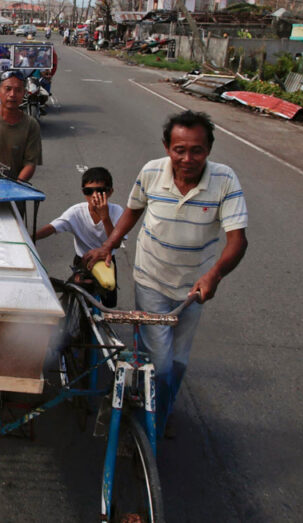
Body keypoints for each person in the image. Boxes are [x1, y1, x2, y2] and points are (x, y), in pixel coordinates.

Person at [83, 110, 249, 439]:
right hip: (151, 278)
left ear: (209, 149)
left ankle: (160, 410)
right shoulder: (151, 172)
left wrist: (214, 275)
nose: (187, 158)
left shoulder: (225, 180)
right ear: (167, 146)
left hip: (194, 288)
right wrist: (109, 246)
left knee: (179, 362)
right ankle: (150, 426)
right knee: (160, 362)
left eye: (197, 150)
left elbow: (237, 240)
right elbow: (133, 211)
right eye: (179, 149)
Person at [33, 167, 123, 307]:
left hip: (107, 260)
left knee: (109, 303)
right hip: (83, 260)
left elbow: (116, 242)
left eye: (100, 191)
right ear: (83, 193)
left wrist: (105, 217)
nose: (94, 195)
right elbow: (53, 227)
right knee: (78, 299)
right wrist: (30, 237)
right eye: (89, 191)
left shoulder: (117, 211)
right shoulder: (76, 212)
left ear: (110, 192)